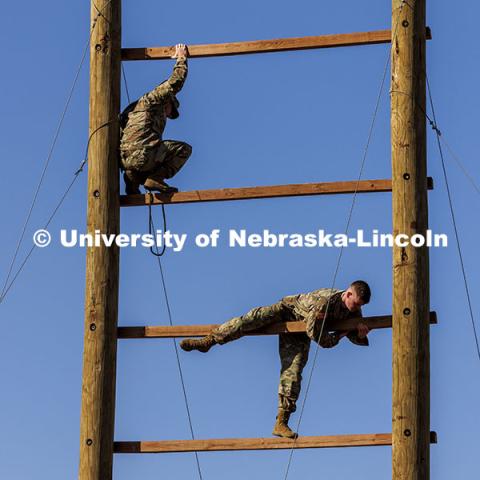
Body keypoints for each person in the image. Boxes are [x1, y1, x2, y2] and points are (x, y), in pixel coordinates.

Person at [180, 280, 372, 438]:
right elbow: (319, 336)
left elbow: (352, 334)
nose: (355, 309)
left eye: (359, 306)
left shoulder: (354, 310)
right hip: (287, 311)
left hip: (301, 331)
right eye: (355, 303)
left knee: (293, 371)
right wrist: (338, 336)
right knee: (248, 321)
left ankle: (281, 422)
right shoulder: (325, 302)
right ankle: (208, 341)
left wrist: (360, 335)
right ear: (348, 294)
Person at [120, 43, 192, 194]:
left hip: (125, 160)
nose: (167, 115)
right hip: (143, 157)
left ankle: (133, 178)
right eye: (170, 111)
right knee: (183, 149)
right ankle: (155, 178)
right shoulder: (153, 99)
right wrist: (181, 59)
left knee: (150, 150)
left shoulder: (133, 109)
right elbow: (175, 83)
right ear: (168, 102)